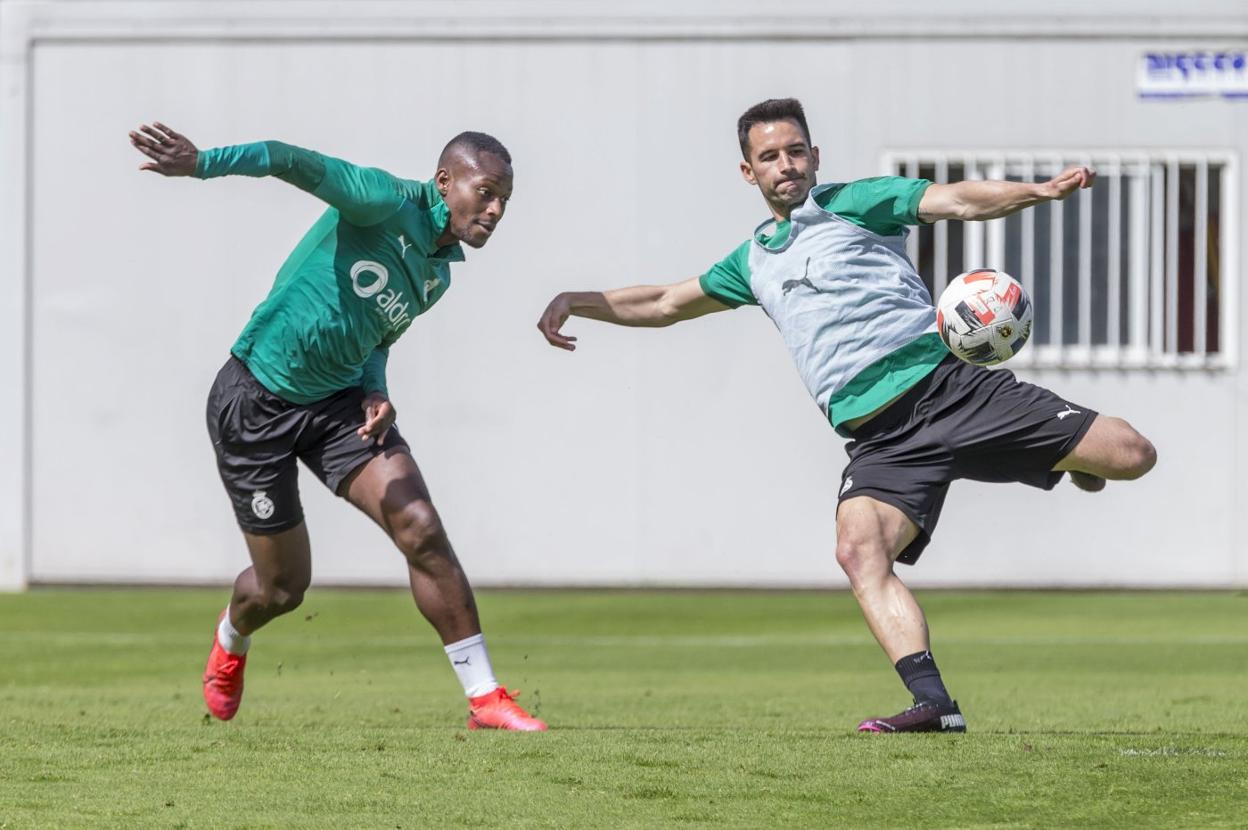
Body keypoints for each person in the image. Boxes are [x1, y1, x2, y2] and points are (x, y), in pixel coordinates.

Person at [535, 98, 1156, 733]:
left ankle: (1075, 460)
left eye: (795, 151)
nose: (786, 165)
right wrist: (574, 300)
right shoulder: (752, 263)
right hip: (879, 439)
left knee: (1134, 456)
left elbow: (959, 201)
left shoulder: (853, 203)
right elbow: (666, 301)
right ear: (749, 172)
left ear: (815, 156)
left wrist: (1041, 192)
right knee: (859, 551)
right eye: (770, 157)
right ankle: (936, 706)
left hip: (950, 391)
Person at [129, 122, 546, 731]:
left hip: (339, 405)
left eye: (505, 198)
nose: (496, 209)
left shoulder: (438, 274)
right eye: (485, 192)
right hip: (255, 400)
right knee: (282, 589)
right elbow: (287, 158)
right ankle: (231, 637)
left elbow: (378, 335)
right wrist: (202, 163)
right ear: (444, 182)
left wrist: (376, 385)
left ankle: (485, 697)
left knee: (420, 526)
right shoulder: (381, 200)